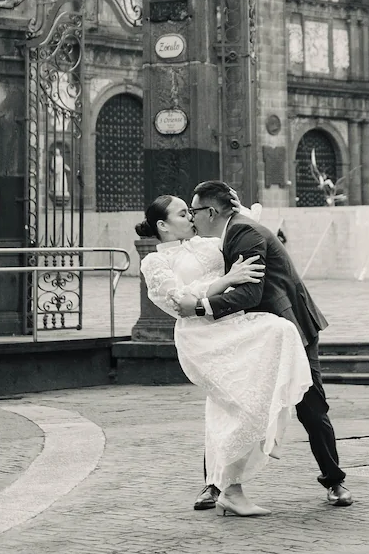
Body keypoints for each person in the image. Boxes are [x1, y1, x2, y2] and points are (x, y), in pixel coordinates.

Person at [181, 180, 353, 510]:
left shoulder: (243, 232)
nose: (192, 217)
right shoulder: (232, 230)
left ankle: (335, 480)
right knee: (228, 401)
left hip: (290, 328)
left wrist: (200, 307)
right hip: (257, 334)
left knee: (311, 406)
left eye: (194, 211)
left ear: (211, 212)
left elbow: (251, 293)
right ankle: (214, 485)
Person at [138, 194, 313, 517]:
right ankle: (230, 488)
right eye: (182, 214)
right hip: (201, 338)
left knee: (280, 334)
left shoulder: (210, 244)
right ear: (163, 225)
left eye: (192, 211)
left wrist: (235, 204)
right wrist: (228, 279)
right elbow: (180, 301)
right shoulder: (155, 263)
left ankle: (233, 484)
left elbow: (236, 225)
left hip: (234, 325)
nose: (191, 217)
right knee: (238, 404)